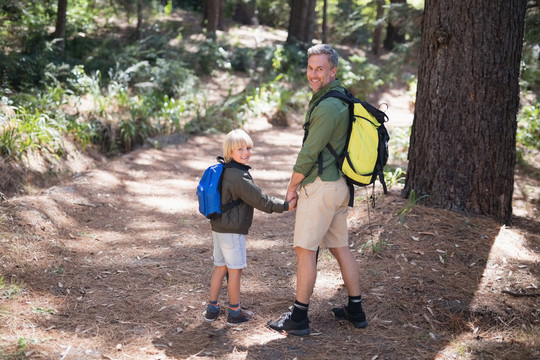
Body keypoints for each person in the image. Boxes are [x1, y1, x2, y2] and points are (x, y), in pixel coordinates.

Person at [267, 44, 368, 336]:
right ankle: (356, 309)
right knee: (340, 247)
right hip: (340, 188)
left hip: (322, 188)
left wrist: (292, 186)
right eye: (310, 68)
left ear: (332, 71)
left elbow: (309, 153)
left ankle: (298, 317)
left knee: (304, 251)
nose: (313, 74)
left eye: (320, 68)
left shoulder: (326, 106)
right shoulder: (342, 98)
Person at [204, 129, 296, 326]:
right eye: (240, 149)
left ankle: (212, 309)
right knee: (235, 270)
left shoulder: (224, 170)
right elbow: (260, 200)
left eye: (248, 148)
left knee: (220, 267)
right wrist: (286, 206)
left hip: (218, 228)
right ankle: (235, 313)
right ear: (229, 151)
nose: (246, 152)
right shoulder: (239, 176)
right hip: (232, 231)